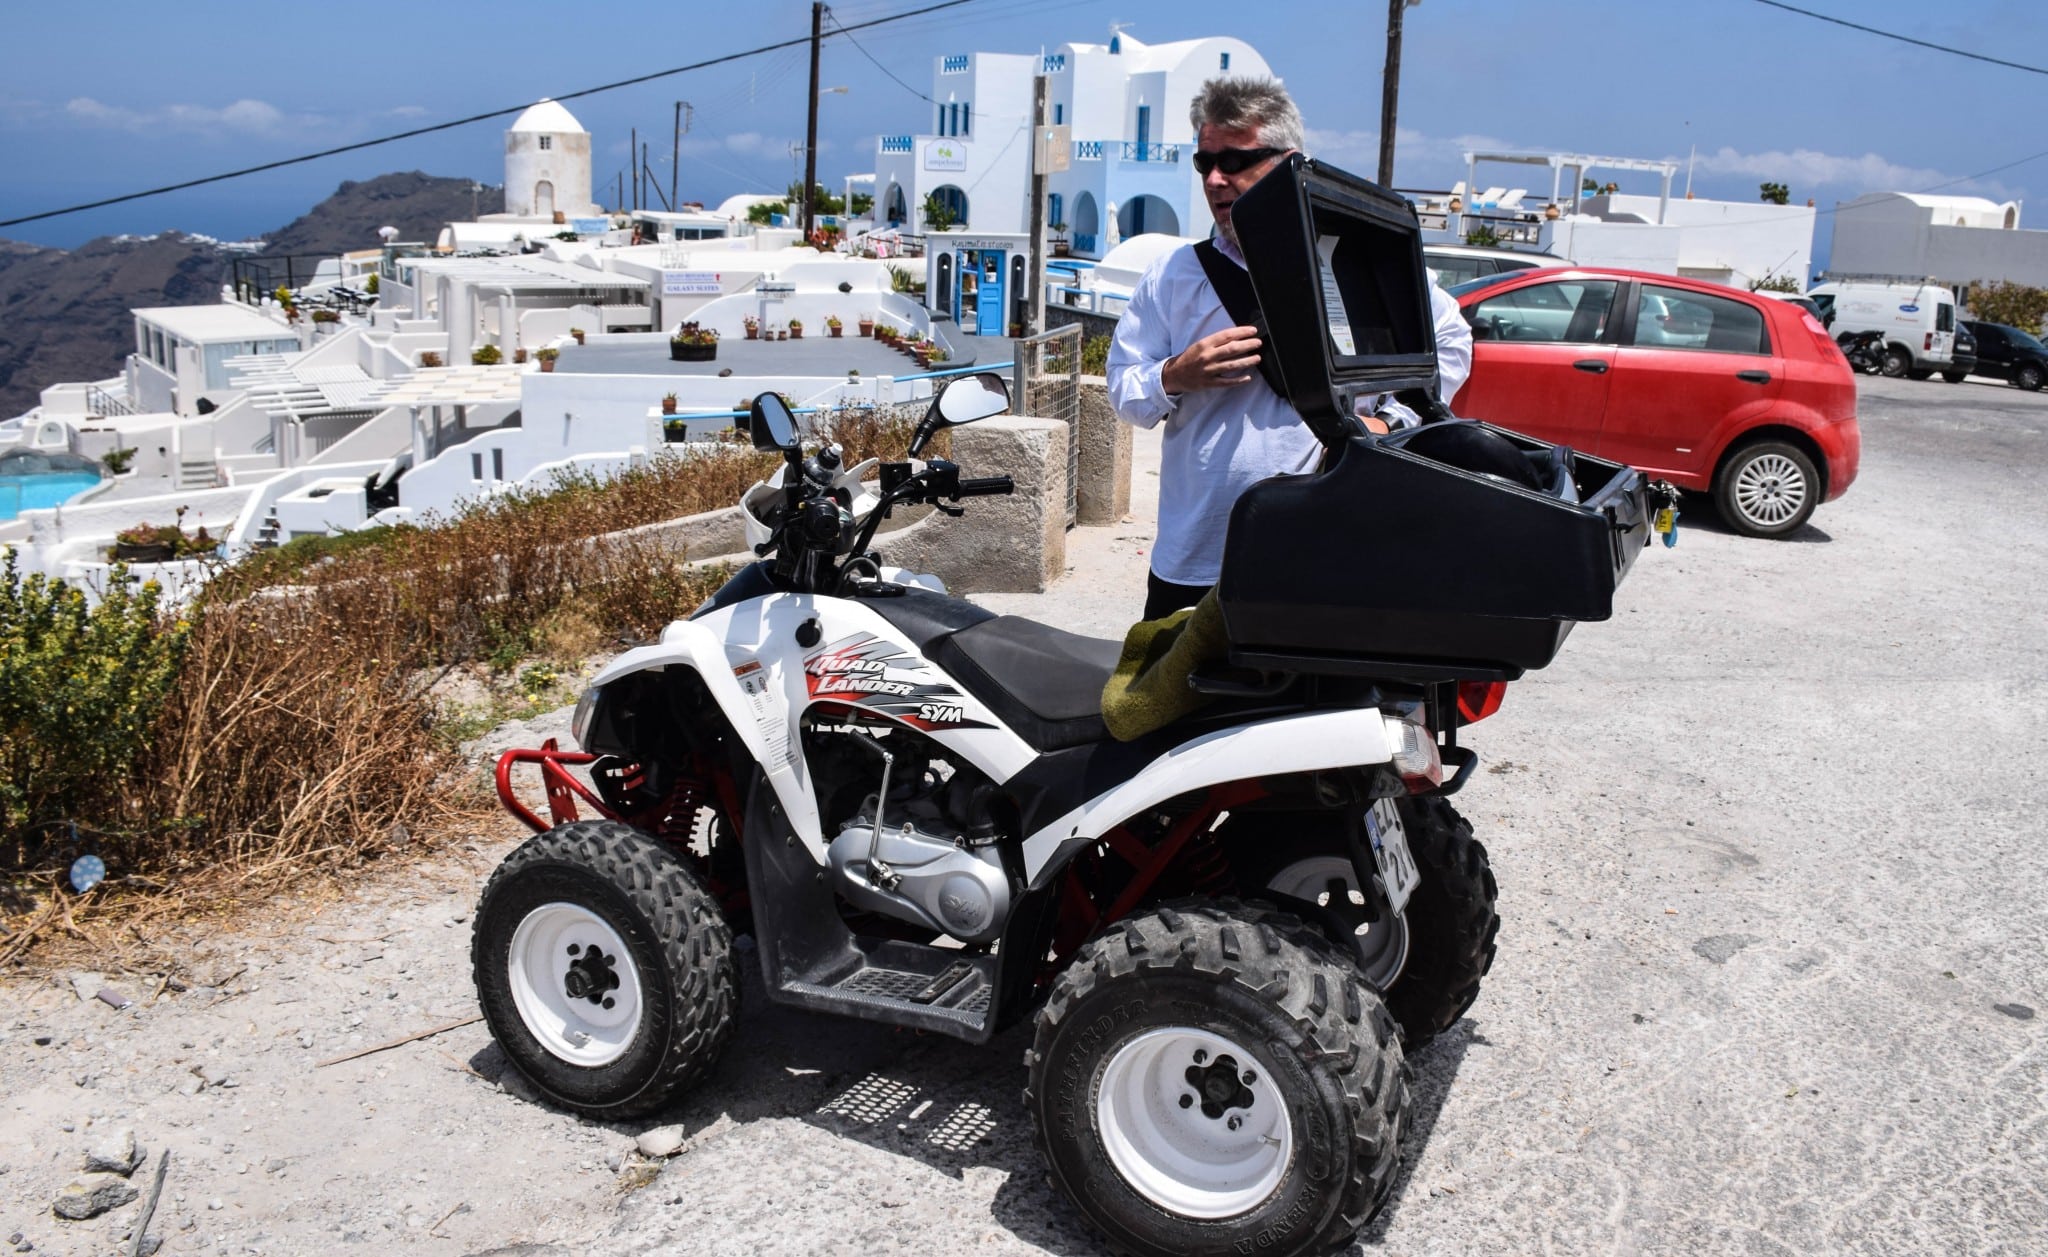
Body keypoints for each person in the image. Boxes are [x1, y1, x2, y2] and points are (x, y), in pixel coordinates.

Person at [1107, 76, 1472, 620]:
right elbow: (1123, 390)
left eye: (1234, 161)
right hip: (1197, 555)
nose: (1214, 179)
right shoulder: (1175, 276)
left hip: (1327, 544)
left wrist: (1390, 421)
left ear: (1288, 160)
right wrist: (1175, 374)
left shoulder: (1353, 263)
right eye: (1203, 161)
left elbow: (1449, 342)